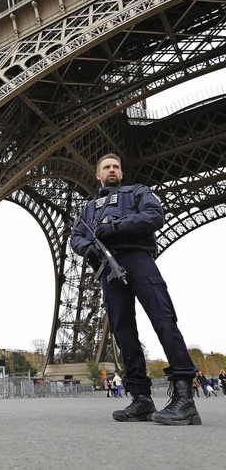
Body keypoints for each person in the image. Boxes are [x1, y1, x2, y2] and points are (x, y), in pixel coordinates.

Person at [70, 153, 201, 425]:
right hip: (108, 267)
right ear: (98, 175)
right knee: (123, 331)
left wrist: (115, 226)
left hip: (138, 259)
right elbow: (76, 238)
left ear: (122, 172)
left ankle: (184, 395)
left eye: (116, 166)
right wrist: (90, 247)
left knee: (163, 318)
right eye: (107, 167)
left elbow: (155, 216)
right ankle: (141, 398)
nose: (112, 170)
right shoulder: (87, 209)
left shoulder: (138, 192)